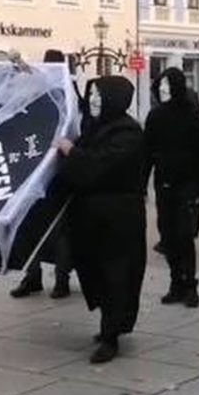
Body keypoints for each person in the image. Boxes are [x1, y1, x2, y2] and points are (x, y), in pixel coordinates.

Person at [54, 76, 146, 364]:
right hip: (90, 218)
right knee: (95, 272)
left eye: (98, 96)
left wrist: (70, 151)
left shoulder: (128, 132)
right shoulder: (93, 128)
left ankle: (111, 336)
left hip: (119, 219)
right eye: (90, 95)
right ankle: (108, 324)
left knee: (116, 275)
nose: (92, 101)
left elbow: (98, 166)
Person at [10, 49, 76, 300]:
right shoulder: (43, 93)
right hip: (36, 169)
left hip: (56, 171)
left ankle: (59, 278)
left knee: (57, 229)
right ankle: (36, 276)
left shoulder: (67, 94)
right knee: (32, 225)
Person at [145, 68, 199, 308]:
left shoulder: (192, 115)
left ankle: (190, 285)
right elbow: (147, 154)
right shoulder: (155, 117)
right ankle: (175, 283)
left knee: (185, 236)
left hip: (188, 186)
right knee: (168, 236)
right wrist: (142, 185)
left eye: (166, 84)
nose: (162, 88)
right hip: (164, 185)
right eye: (160, 84)